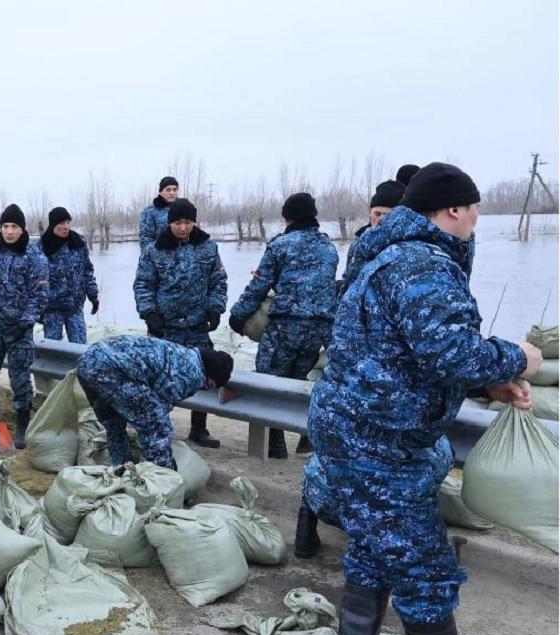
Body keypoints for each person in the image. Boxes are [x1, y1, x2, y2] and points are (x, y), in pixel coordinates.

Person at [308, 162, 542, 635]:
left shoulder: (394, 254)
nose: (477, 221)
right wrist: (520, 357)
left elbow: (411, 348)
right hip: (376, 438)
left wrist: (488, 380)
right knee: (423, 562)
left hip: (364, 427)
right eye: (476, 210)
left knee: (374, 546)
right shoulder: (422, 265)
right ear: (456, 210)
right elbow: (451, 350)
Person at [229, 192, 339, 458]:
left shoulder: (280, 246)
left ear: (286, 217)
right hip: (319, 329)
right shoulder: (329, 248)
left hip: (286, 326)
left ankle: (274, 443)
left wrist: (237, 316)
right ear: (314, 217)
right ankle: (306, 438)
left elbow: (259, 285)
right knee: (302, 382)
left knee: (269, 380)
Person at [134, 198, 227, 448]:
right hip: (165, 328)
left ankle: (199, 428)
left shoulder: (208, 248)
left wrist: (215, 308)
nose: (182, 228)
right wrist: (149, 312)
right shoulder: (154, 250)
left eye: (187, 222)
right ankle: (159, 424)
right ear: (169, 223)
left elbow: (218, 281)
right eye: (177, 222)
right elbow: (143, 284)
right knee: (159, 378)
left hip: (197, 326)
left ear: (194, 222)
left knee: (203, 374)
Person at [76, 336, 233, 469]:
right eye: (213, 384)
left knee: (114, 422)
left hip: (87, 362)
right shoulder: (192, 374)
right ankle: (162, 479)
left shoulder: (184, 354)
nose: (208, 388)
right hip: (113, 370)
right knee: (157, 426)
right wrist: (168, 463)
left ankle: (119, 467)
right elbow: (156, 413)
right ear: (211, 374)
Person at [0, 203, 49, 449]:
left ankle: (23, 425)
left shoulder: (33, 255)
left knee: (19, 379)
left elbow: (39, 295)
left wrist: (25, 323)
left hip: (19, 329)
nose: (8, 231)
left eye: (13, 227)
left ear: (22, 228)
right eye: (5, 226)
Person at [35, 207, 99, 343]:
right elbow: (36, 280)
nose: (66, 227)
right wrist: (38, 308)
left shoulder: (78, 242)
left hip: (75, 307)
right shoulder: (41, 247)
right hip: (52, 309)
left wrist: (93, 295)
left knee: (80, 348)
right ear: (53, 225)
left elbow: (87, 270)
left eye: (68, 223)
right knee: (53, 350)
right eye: (62, 224)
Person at [341, 180, 405, 292]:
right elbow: (349, 276)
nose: (381, 219)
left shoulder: (405, 244)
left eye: (388, 214)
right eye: (377, 214)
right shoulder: (359, 242)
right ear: (369, 212)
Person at [139, 176, 179, 251]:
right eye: (168, 190)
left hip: (182, 258)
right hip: (160, 258)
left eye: (175, 190)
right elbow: (145, 239)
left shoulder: (183, 208)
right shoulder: (149, 211)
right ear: (161, 191)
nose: (172, 193)